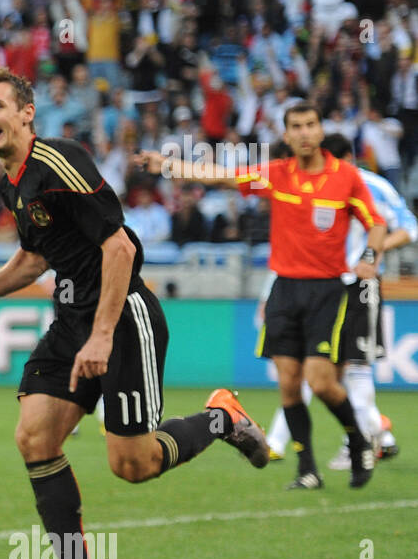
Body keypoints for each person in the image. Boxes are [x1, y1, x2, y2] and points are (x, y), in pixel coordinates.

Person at [0, 68, 269, 559]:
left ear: (26, 113)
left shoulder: (60, 161)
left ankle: (222, 418)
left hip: (122, 316)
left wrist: (103, 335)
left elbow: (120, 249)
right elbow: (36, 256)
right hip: (71, 321)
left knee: (132, 465)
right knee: (35, 436)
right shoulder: (10, 181)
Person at [137, 103, 385, 490]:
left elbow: (376, 224)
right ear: (286, 135)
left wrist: (370, 256)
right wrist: (168, 167)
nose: (304, 133)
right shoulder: (276, 175)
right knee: (288, 382)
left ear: (321, 130)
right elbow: (221, 177)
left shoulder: (346, 178)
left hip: (327, 289)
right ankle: (307, 468)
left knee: (321, 382)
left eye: (310, 124)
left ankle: (357, 440)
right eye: (296, 127)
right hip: (284, 288)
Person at [264, 133, 416, 467]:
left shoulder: (370, 185)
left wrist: (372, 254)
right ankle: (375, 433)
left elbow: (408, 227)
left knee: (355, 366)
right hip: (321, 286)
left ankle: (362, 439)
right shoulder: (308, 185)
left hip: (357, 286)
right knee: (313, 367)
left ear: (348, 157)